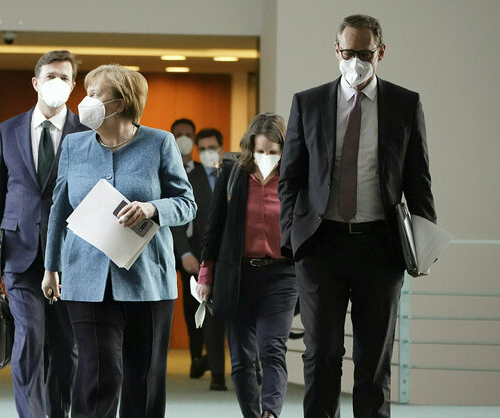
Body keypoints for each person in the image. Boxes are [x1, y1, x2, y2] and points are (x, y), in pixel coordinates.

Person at [279, 14, 436, 418]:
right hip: (320, 246)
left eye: (365, 54)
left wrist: (424, 246)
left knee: (373, 361)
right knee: (322, 354)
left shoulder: (405, 104)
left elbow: (418, 181)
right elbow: (290, 177)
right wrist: (289, 239)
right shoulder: (307, 102)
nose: (356, 62)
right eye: (348, 53)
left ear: (380, 52)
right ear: (336, 51)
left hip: (380, 248)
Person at [41, 64, 197, 417]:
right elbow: (59, 208)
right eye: (88, 92)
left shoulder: (159, 143)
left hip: (148, 282)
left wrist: (152, 208)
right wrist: (51, 266)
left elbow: (187, 204)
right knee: (99, 372)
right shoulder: (74, 145)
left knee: (144, 378)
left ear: (122, 102)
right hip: (85, 279)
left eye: (96, 94)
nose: (87, 101)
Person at [0, 50, 86, 418]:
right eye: (51, 75)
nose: (57, 83)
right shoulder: (7, 130)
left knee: (66, 346)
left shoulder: (86, 134)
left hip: (70, 256)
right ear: (36, 82)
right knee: (29, 339)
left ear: (74, 87)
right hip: (19, 252)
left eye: (65, 78)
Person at [197, 113, 297, 418]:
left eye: (273, 152)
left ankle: (271, 413)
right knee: (241, 359)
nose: (265, 158)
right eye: (260, 151)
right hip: (238, 274)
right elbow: (214, 228)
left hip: (281, 275)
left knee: (271, 349)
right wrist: (205, 275)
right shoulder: (233, 173)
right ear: (249, 148)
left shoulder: (294, 178)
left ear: (284, 149)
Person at [171, 125, 228, 390]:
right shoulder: (189, 179)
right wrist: (184, 252)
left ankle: (232, 365)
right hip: (199, 257)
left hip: (232, 259)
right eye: (202, 149)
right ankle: (207, 365)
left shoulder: (235, 174)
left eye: (211, 148)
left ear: (221, 147)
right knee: (202, 312)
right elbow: (178, 221)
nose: (207, 153)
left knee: (232, 314)